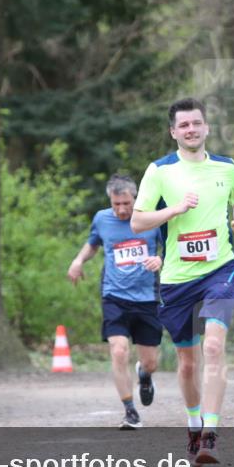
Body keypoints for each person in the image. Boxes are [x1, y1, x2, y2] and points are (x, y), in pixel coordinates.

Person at [131, 97, 234, 466]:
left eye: (196, 123)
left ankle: (210, 435)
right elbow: (137, 221)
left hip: (220, 269)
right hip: (176, 279)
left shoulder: (227, 167)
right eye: (183, 125)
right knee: (187, 364)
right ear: (173, 132)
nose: (191, 129)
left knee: (213, 347)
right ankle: (194, 424)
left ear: (206, 127)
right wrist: (176, 209)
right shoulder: (159, 171)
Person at [68, 174, 163, 430]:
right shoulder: (102, 219)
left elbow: (170, 248)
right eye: (116, 204)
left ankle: (144, 375)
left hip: (147, 298)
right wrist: (78, 261)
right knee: (119, 350)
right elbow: (92, 244)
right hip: (114, 296)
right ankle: (130, 411)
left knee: (151, 362)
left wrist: (160, 260)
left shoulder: (151, 219)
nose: (121, 210)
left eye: (126, 204)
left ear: (136, 199)